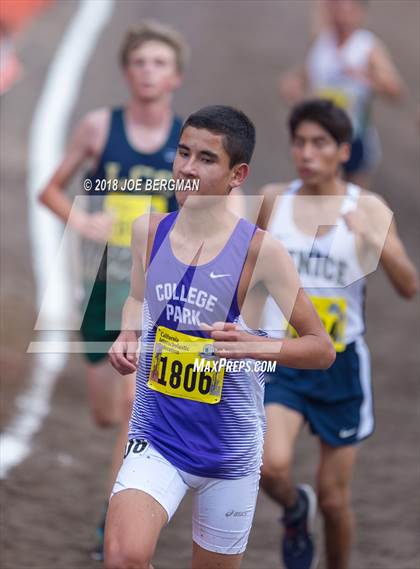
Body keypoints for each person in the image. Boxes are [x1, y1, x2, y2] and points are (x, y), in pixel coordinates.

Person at [105, 105, 336, 569]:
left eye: (206, 159)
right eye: (183, 153)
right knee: (124, 557)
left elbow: (321, 348)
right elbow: (136, 298)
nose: (188, 168)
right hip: (157, 437)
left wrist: (257, 345)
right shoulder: (148, 232)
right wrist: (128, 332)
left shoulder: (260, 253)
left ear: (237, 174)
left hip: (228, 456)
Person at [38, 20, 188, 559]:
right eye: (140, 62)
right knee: (105, 411)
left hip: (155, 294)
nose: (148, 72)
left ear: (175, 77)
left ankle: (114, 514)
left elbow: (211, 216)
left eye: (159, 63)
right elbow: (49, 191)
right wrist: (82, 222)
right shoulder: (100, 128)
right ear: (127, 72)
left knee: (130, 406)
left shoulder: (185, 146)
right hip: (104, 286)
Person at [257, 99, 418, 569]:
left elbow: (409, 285)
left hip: (341, 365)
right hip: (283, 359)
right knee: (271, 467)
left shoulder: (367, 207)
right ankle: (293, 508)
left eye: (320, 144)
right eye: (300, 142)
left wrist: (372, 240)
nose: (307, 153)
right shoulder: (272, 200)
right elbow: (243, 271)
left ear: (344, 151)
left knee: (333, 499)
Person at [279, 0, 405, 189]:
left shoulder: (368, 47)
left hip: (355, 136)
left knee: (354, 197)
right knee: (318, 193)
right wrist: (293, 86)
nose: (342, 16)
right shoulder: (321, 41)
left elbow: (396, 91)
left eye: (349, 11)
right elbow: (302, 76)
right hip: (320, 135)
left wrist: (367, 78)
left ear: (360, 14)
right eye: (338, 9)